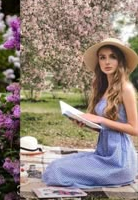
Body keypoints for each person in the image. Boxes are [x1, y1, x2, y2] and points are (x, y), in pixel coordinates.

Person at [42, 38, 138, 188]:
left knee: (57, 171)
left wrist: (100, 119)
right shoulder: (103, 88)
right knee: (55, 165)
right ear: (98, 61)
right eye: (102, 57)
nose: (107, 62)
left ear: (120, 61)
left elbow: (134, 129)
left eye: (113, 57)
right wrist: (86, 122)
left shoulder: (126, 89)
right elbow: (103, 126)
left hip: (119, 161)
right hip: (102, 154)